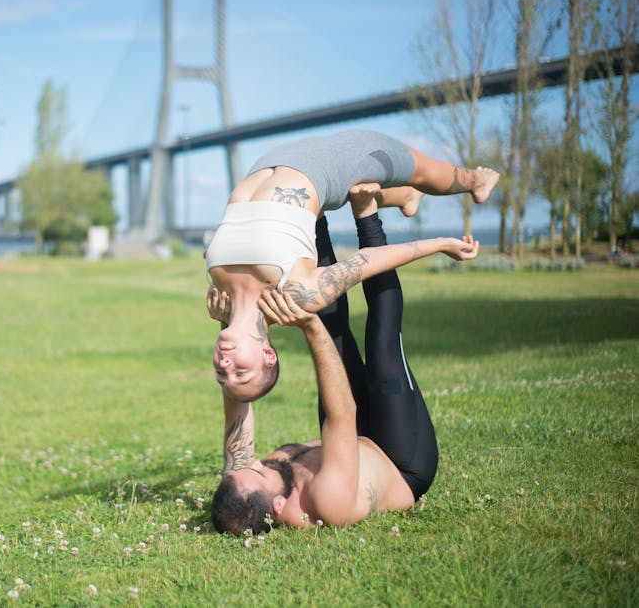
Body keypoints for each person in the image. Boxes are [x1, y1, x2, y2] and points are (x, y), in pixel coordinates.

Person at [206, 129, 497, 402]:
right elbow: (365, 262)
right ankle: (477, 182)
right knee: (416, 166)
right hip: (322, 167)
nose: (225, 363)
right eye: (240, 372)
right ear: (267, 354)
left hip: (269, 161)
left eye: (221, 373)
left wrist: (226, 318)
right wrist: (439, 245)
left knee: (363, 186)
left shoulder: (221, 299)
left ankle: (404, 196)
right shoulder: (296, 296)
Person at [209, 195, 439, 535]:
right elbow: (342, 412)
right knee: (382, 344)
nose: (253, 461)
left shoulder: (246, 482)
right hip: (400, 460)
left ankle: (313, 217)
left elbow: (236, 397)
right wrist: (309, 326)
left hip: (347, 439)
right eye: (257, 471)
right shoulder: (327, 501)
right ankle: (367, 214)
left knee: (332, 326)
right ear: (277, 505)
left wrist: (231, 323)